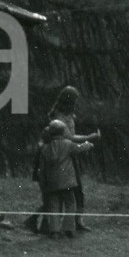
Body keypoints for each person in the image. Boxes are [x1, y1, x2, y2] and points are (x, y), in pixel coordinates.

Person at [47, 86, 100, 232]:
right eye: (74, 100)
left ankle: (75, 220)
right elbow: (68, 137)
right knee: (67, 189)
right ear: (68, 100)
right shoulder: (59, 117)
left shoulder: (68, 114)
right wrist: (88, 138)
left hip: (69, 153)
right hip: (63, 155)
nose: (76, 103)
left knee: (74, 188)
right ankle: (68, 223)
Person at [38, 120, 95, 238]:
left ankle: (54, 231)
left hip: (52, 182)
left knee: (54, 205)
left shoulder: (45, 148)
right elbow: (80, 148)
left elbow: (42, 167)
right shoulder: (68, 144)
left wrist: (43, 182)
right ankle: (68, 228)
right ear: (63, 132)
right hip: (67, 181)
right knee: (70, 203)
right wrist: (88, 144)